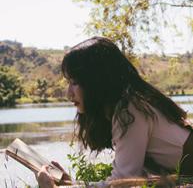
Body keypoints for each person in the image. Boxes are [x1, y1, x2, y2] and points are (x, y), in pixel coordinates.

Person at [36, 36, 193, 188]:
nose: (69, 93)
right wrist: (71, 184)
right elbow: (129, 181)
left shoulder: (130, 110)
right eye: (69, 82)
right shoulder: (129, 103)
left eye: (75, 82)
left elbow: (123, 182)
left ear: (96, 81)